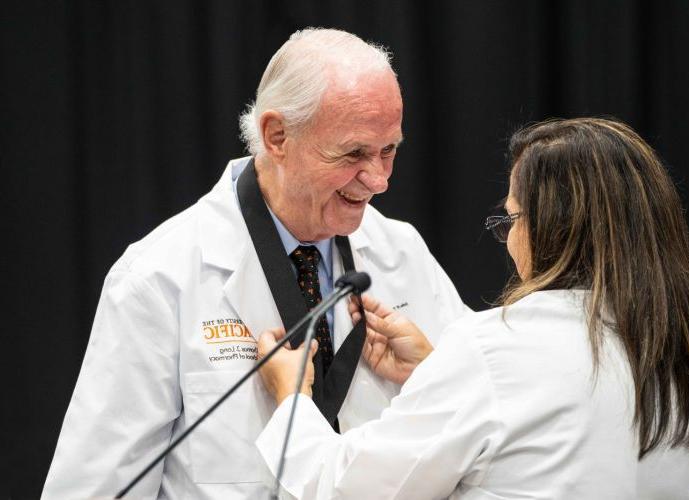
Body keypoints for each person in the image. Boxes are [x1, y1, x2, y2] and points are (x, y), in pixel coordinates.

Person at [42, 28, 468, 499]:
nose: (380, 179)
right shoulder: (158, 278)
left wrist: (432, 373)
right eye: (354, 154)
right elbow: (94, 490)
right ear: (277, 136)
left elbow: (484, 434)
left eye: (389, 150)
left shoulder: (402, 251)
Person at [255, 117, 689, 499]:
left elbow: (344, 488)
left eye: (510, 219)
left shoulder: (494, 350)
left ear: (553, 226)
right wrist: (435, 371)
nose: (508, 240)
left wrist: (290, 398)